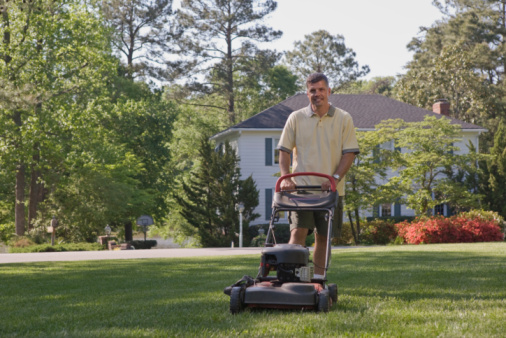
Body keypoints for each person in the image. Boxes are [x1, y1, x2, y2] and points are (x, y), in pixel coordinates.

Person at [277, 72, 359, 279]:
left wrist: (335, 177)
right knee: (298, 233)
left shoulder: (344, 118)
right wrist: (286, 177)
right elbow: (284, 150)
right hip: (301, 189)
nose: (317, 94)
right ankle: (290, 277)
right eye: (313, 90)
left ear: (329, 91)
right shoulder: (295, 118)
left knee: (323, 237)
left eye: (321, 89)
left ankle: (318, 280)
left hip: (330, 189)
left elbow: (349, 152)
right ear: (307, 93)